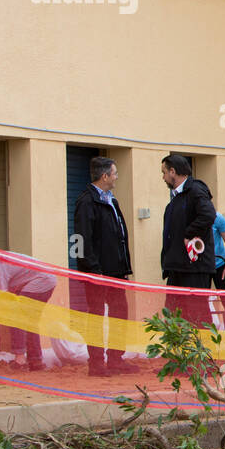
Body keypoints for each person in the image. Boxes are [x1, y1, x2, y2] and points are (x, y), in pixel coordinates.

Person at [72, 156, 136, 376]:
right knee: (96, 317)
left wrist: (124, 266)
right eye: (115, 173)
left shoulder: (111, 200)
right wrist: (91, 270)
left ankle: (116, 359)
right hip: (97, 273)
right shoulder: (86, 201)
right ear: (105, 176)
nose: (117, 177)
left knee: (120, 313)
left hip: (116, 272)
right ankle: (97, 364)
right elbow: (79, 240)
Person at [160, 153, 217, 325]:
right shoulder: (177, 197)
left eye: (163, 173)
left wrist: (188, 234)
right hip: (178, 267)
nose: (162, 177)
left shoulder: (195, 190)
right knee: (174, 314)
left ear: (172, 171)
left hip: (194, 267)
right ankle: (179, 351)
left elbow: (208, 215)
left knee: (196, 314)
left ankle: (201, 350)